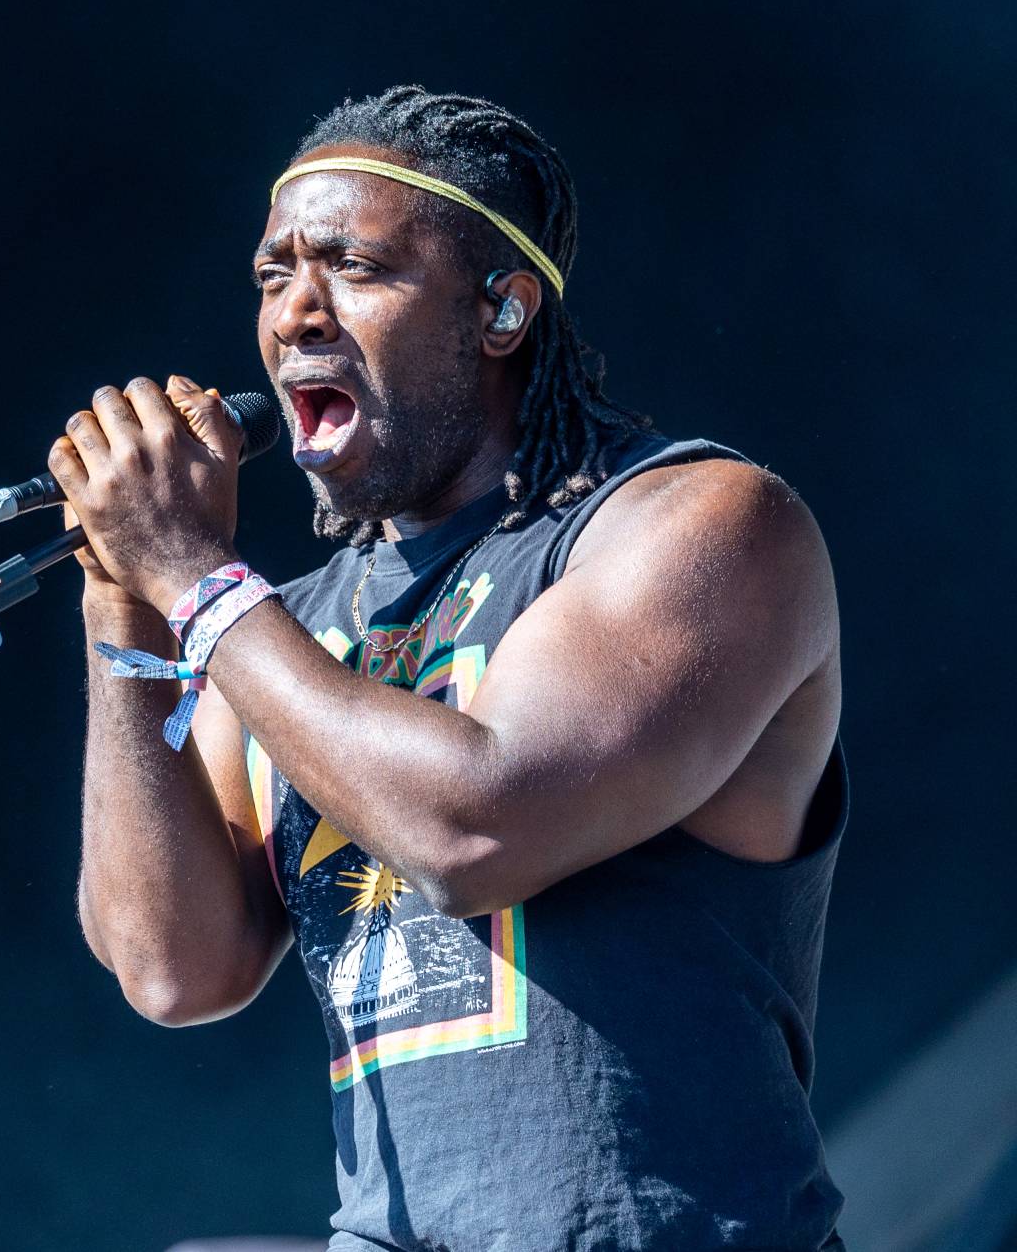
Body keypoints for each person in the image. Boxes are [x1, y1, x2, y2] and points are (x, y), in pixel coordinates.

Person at [54, 85, 845, 1250]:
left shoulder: (700, 526)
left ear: (502, 310)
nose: (294, 314)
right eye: (272, 276)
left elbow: (472, 832)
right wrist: (121, 600)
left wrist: (193, 580)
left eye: (353, 268)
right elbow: (173, 969)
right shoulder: (280, 632)